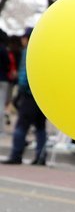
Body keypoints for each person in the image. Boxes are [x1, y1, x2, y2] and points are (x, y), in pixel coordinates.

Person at [2, 27, 47, 165]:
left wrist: (21, 91)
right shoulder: (45, 51)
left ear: (27, 38)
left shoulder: (29, 51)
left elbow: (25, 75)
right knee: (40, 127)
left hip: (29, 95)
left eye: (24, 37)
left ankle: (16, 154)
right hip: (43, 96)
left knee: (21, 125)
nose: (22, 40)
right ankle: (41, 156)